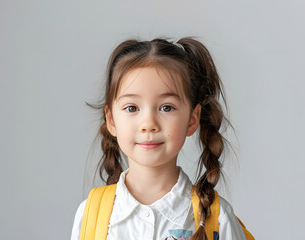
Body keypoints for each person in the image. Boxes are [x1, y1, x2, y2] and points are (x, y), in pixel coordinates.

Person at [71, 37, 254, 240]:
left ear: (192, 119)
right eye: (132, 108)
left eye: (166, 107)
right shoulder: (89, 214)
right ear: (111, 120)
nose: (149, 123)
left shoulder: (217, 220)